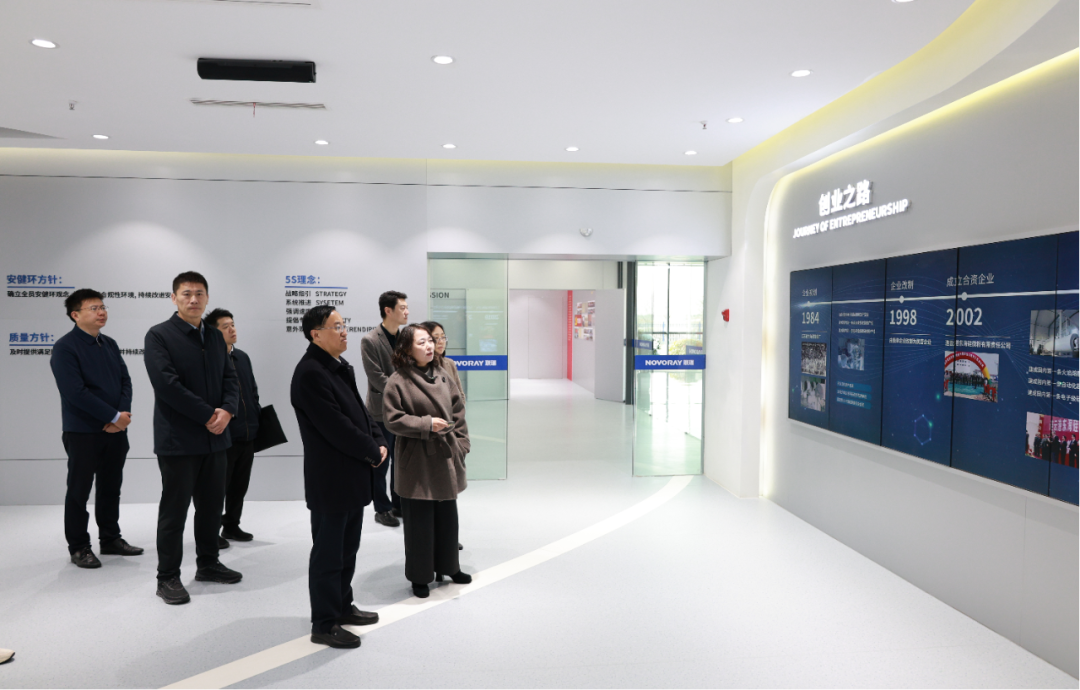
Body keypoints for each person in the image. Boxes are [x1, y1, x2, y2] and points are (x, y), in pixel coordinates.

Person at [291, 305, 385, 649]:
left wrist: (378, 438)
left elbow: (361, 412)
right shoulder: (310, 373)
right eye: (336, 326)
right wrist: (372, 450)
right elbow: (336, 427)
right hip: (331, 478)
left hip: (352, 474)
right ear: (315, 334)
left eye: (344, 324)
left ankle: (343, 606)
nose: (344, 331)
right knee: (328, 554)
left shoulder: (338, 366)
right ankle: (324, 622)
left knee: (347, 549)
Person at [144, 272, 241, 605]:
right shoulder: (159, 335)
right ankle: (167, 577)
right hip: (179, 439)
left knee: (212, 508)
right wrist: (208, 415)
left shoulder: (214, 337)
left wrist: (227, 411)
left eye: (199, 293)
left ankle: (208, 564)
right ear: (174, 298)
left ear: (207, 298)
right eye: (186, 294)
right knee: (175, 512)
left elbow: (230, 378)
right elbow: (167, 385)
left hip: (216, 439)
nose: (193, 299)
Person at [50, 289, 143, 569]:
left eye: (103, 307)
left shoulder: (109, 343)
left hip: (115, 430)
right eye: (93, 308)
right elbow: (74, 392)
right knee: (79, 491)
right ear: (75, 315)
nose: (101, 312)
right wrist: (113, 415)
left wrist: (121, 416)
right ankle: (79, 546)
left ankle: (110, 538)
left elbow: (125, 381)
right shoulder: (65, 347)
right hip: (82, 431)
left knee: (110, 487)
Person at [383, 324, 471, 599]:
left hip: (445, 455)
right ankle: (420, 576)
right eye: (421, 342)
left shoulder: (443, 374)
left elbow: (458, 411)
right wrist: (426, 424)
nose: (430, 346)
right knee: (419, 524)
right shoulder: (398, 380)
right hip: (417, 459)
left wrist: (462, 444)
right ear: (407, 349)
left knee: (447, 519)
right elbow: (392, 419)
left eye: (430, 341)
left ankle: (450, 567)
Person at [206, 308, 262, 547]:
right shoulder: (209, 360)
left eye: (233, 324)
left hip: (248, 433)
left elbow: (252, 391)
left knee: (239, 485)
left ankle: (231, 525)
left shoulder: (242, 357)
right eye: (225, 326)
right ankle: (210, 531)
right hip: (224, 435)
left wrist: (255, 417)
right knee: (218, 487)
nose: (232, 329)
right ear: (213, 332)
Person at [360, 290, 409, 527]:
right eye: (402, 308)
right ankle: (381, 508)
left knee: (401, 461)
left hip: (405, 411)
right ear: (388, 310)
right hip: (381, 411)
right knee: (381, 461)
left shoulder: (407, 338)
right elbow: (376, 377)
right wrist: (405, 391)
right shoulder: (370, 340)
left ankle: (398, 503)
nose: (407, 312)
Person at [422, 320, 465, 551]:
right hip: (430, 436)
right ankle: (433, 540)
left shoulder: (449, 364)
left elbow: (460, 399)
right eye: (434, 338)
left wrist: (461, 440)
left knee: (450, 491)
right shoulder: (420, 369)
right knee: (432, 492)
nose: (439, 342)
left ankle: (448, 540)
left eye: (442, 337)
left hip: (451, 436)